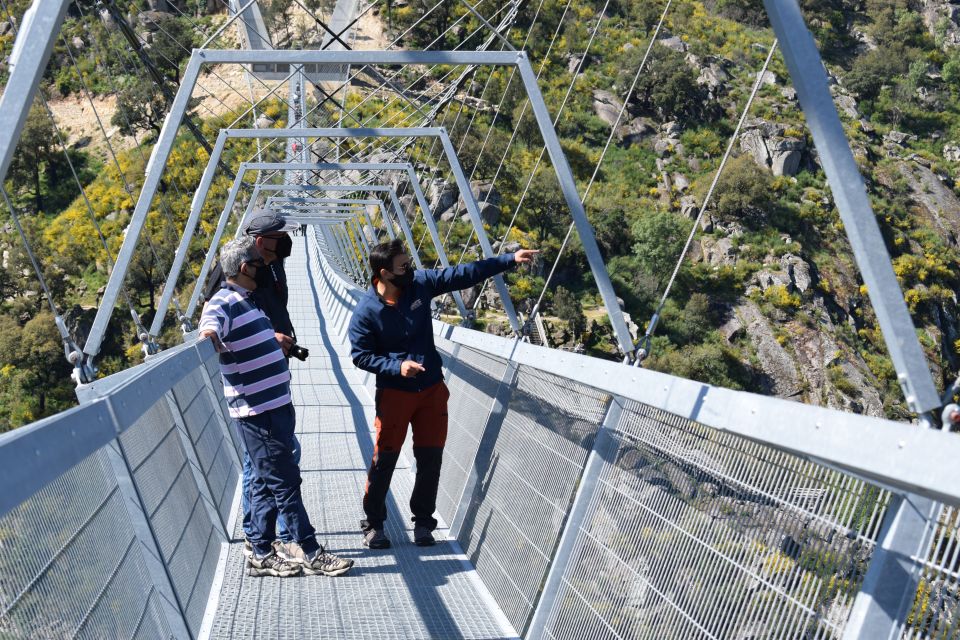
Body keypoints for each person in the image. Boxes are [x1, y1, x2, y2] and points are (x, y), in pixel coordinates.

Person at [348, 238, 538, 548]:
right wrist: (397, 367)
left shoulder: (419, 285)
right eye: (404, 267)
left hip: (432, 391)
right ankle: (374, 523)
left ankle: (423, 522)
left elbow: (463, 274)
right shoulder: (366, 312)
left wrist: (509, 259)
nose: (411, 270)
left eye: (409, 264)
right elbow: (360, 355)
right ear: (384, 273)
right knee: (385, 460)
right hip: (396, 394)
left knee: (430, 458)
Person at [200, 236, 353, 578]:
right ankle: (312, 551)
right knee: (284, 481)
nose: (264, 267)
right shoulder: (224, 300)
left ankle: (260, 550)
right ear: (244, 268)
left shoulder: (248, 301)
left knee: (268, 481)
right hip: (258, 411)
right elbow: (210, 325)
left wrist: (273, 340)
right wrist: (209, 335)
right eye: (258, 262)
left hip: (275, 404)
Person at [234, 211, 302, 560]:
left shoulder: (273, 263)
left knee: (271, 460)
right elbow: (223, 317)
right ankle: (264, 538)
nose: (287, 241)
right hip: (255, 383)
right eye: (280, 236)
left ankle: (265, 536)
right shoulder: (242, 271)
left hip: (275, 372)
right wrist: (268, 337)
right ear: (261, 242)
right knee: (266, 462)